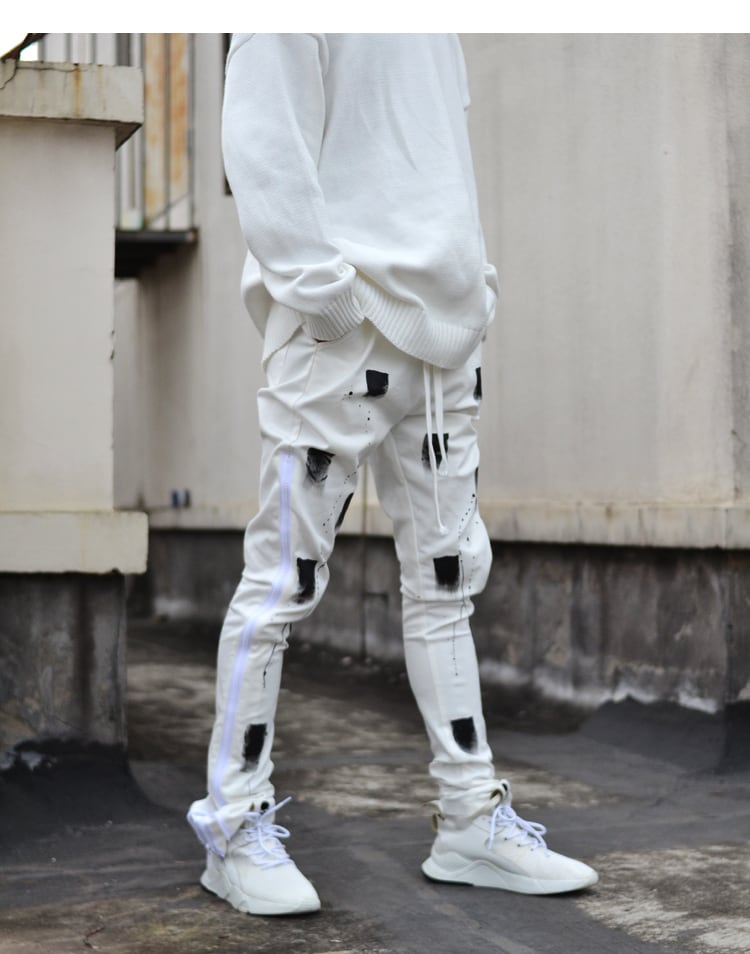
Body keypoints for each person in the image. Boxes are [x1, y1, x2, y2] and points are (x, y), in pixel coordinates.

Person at [187, 32, 598, 916]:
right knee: (283, 582)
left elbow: (433, 151)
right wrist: (325, 297)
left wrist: (475, 285)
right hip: (344, 332)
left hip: (447, 342)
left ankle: (469, 820)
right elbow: (262, 142)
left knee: (446, 586)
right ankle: (232, 823)